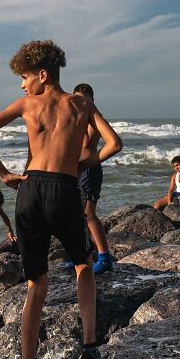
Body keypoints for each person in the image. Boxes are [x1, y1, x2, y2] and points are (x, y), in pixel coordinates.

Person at [0, 40, 122, 359]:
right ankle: (89, 345)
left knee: (36, 282)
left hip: (30, 190)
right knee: (83, 265)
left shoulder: (27, 104)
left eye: (24, 78)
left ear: (42, 74)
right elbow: (114, 143)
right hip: (64, 189)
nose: (22, 86)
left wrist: (4, 174)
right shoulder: (82, 103)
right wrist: (82, 164)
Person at [69, 83, 114, 274]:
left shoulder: (94, 117)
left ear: (91, 100)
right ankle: (82, 255)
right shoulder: (74, 117)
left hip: (89, 170)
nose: (81, 103)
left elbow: (87, 142)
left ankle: (104, 257)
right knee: (74, 215)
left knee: (89, 214)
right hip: (75, 170)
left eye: (84, 99)